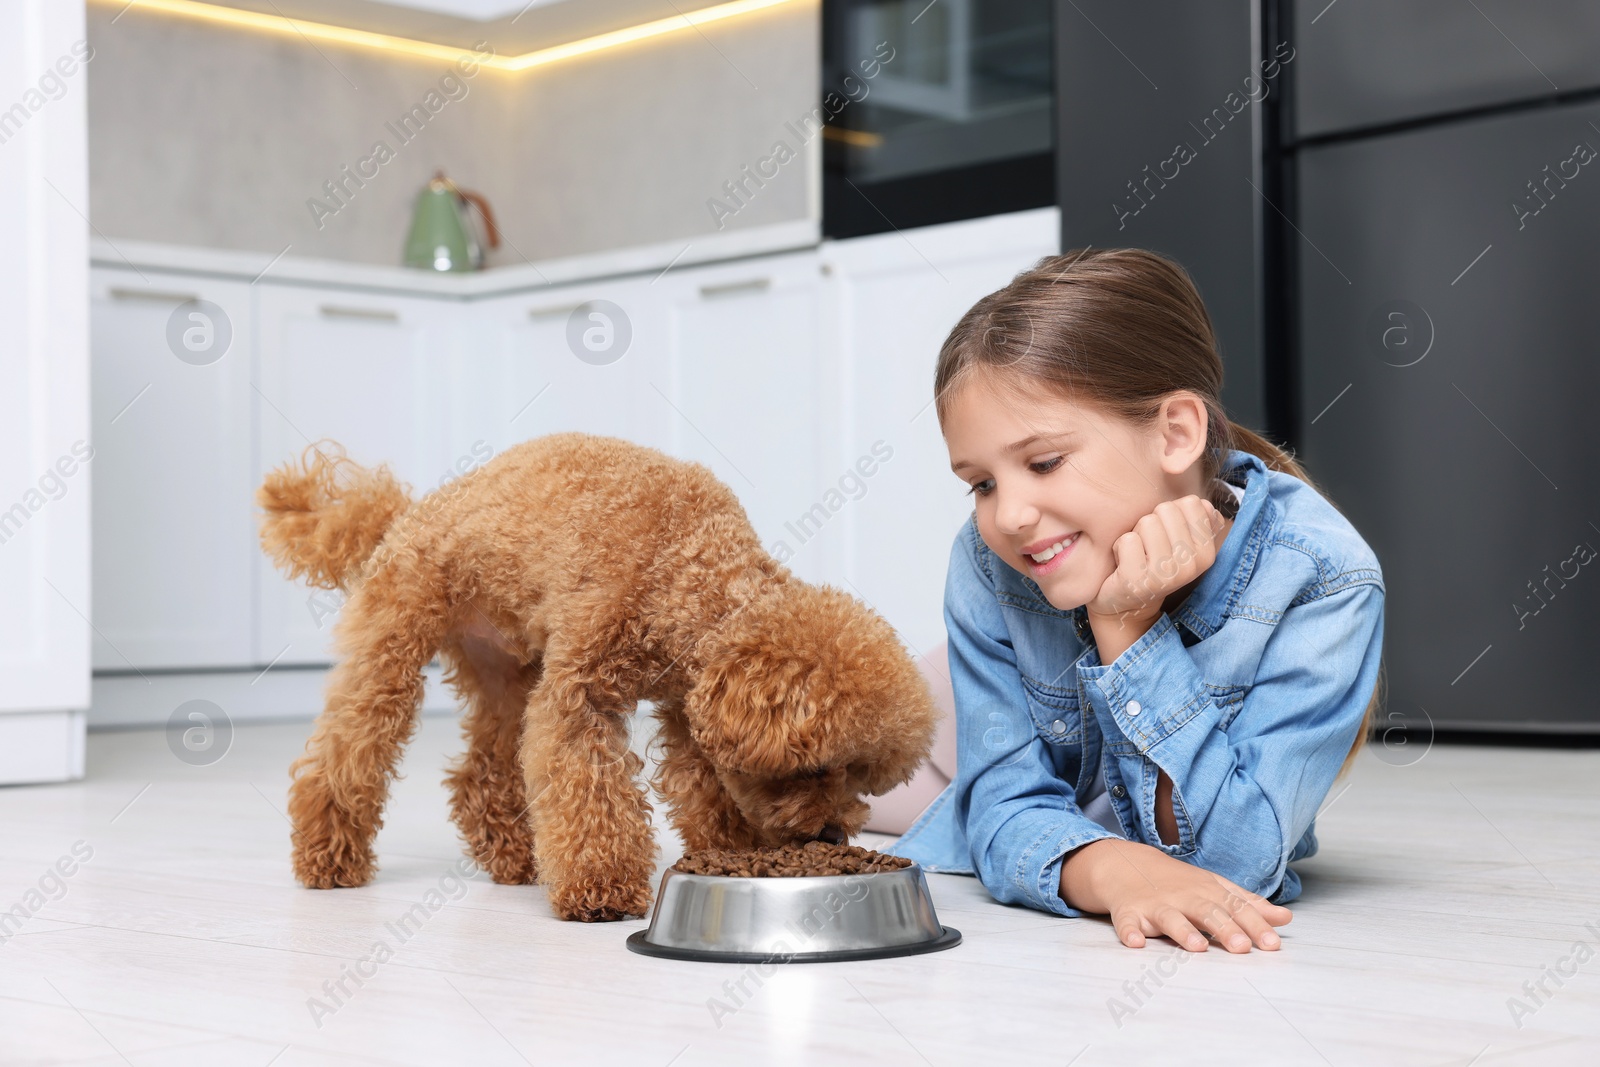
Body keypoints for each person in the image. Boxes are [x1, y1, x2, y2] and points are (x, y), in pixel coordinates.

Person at [885, 248, 1386, 954]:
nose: (1009, 516)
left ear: (1176, 434)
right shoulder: (985, 557)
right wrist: (1117, 870)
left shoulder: (1325, 579)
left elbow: (1234, 861)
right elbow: (1001, 810)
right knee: (842, 779)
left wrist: (1128, 629)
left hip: (1057, 740)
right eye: (982, 482)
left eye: (1043, 462)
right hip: (954, 718)